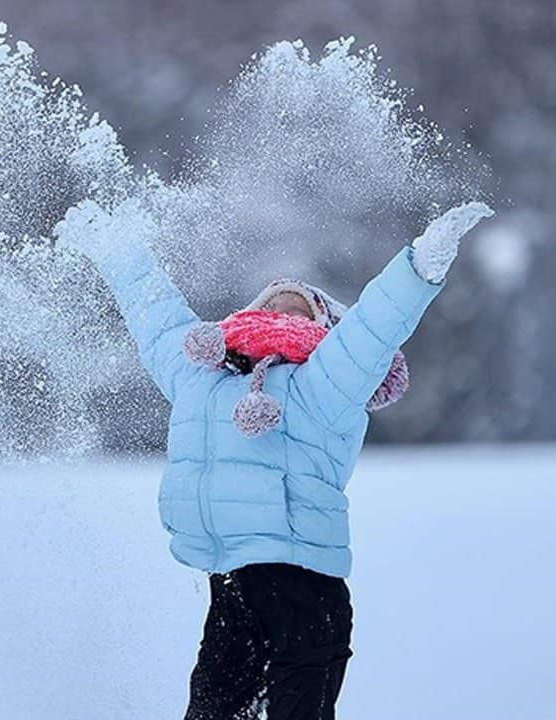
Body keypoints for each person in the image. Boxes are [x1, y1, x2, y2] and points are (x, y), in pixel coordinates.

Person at [53, 198, 493, 720]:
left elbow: (372, 328)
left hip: (306, 591)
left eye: (299, 308)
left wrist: (419, 267)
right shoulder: (203, 377)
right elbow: (157, 318)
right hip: (233, 587)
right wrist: (116, 251)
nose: (282, 313)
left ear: (326, 327)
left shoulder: (326, 383)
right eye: (272, 305)